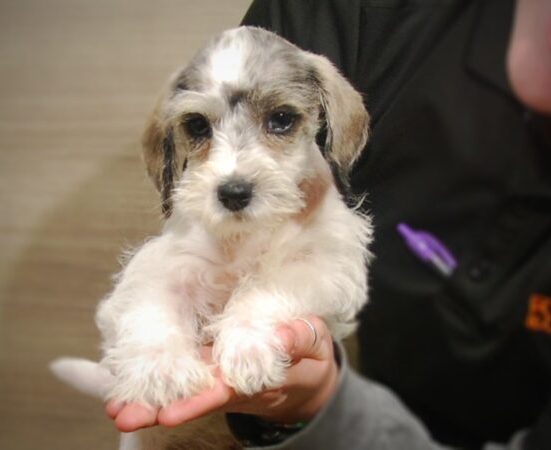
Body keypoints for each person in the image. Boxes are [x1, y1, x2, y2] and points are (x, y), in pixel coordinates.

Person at [106, 0, 551, 448]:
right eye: (200, 128)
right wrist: (157, 337)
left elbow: (332, 272)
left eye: (279, 120)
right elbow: (162, 273)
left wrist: (261, 318)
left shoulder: (330, 177)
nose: (233, 174)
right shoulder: (346, 17)